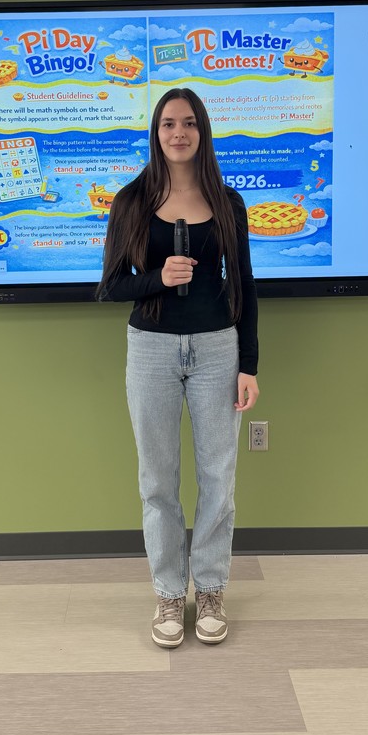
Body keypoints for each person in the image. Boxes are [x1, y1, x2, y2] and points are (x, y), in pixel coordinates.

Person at [97, 87, 259, 648]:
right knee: (157, 482)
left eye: (189, 123)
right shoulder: (132, 200)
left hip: (218, 349)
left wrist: (249, 363)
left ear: (203, 131)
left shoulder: (228, 201)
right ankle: (169, 594)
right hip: (151, 352)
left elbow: (245, 288)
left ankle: (210, 588)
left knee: (219, 478)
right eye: (169, 124)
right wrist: (156, 280)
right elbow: (111, 286)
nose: (179, 133)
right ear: (156, 132)